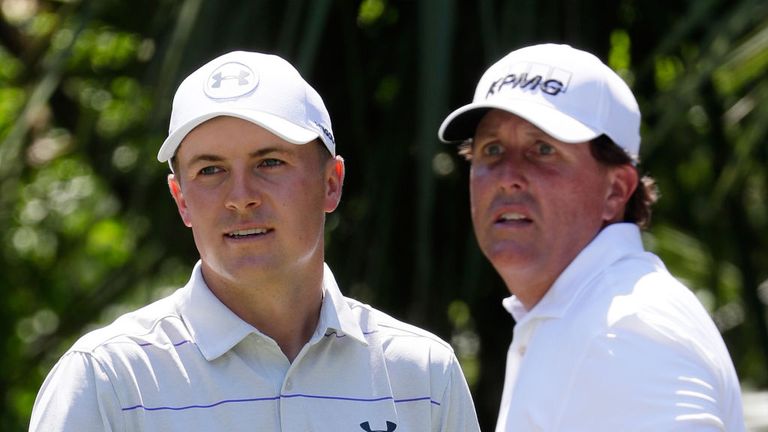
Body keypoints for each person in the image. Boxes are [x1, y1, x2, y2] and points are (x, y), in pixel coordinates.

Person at [30, 50, 480, 432]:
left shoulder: (423, 376)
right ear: (181, 199)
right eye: (210, 170)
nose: (240, 197)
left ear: (331, 183)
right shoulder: (108, 378)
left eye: (270, 163)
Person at [438, 43, 745, 431]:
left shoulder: (622, 332)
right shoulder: (590, 315)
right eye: (492, 149)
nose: (507, 176)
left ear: (616, 190)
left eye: (543, 149)